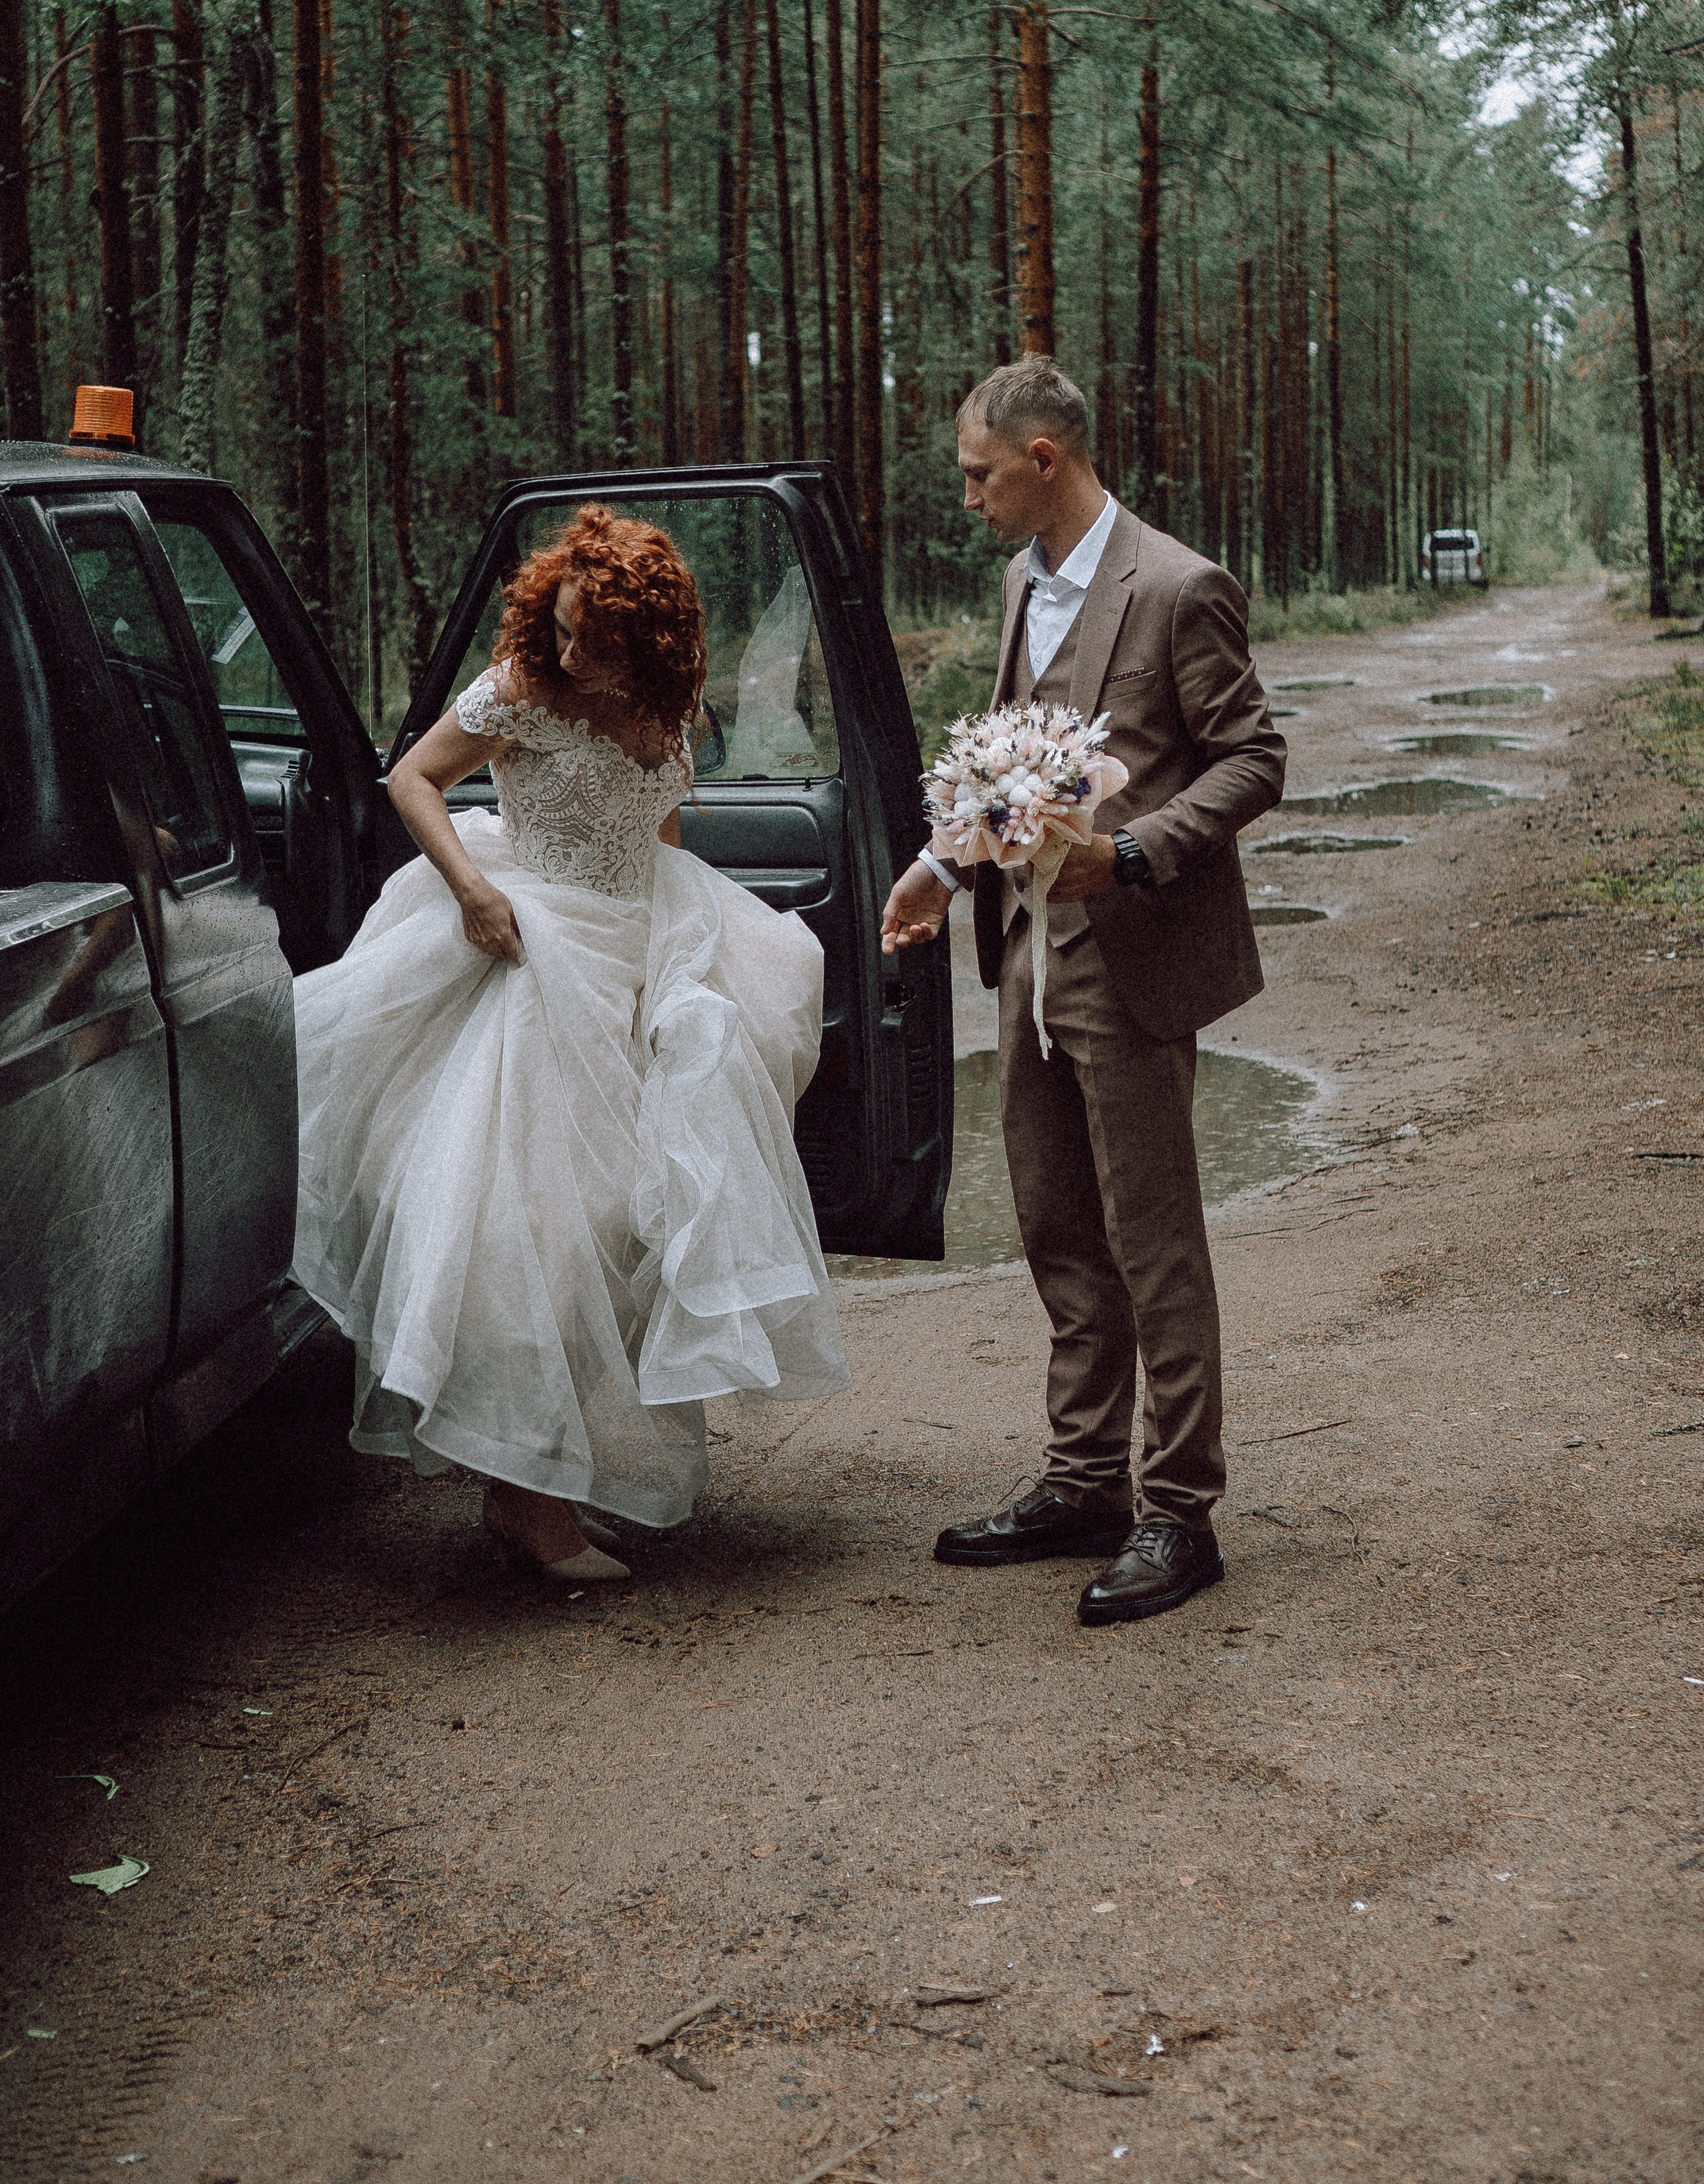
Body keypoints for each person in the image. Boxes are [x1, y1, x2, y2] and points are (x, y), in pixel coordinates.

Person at [294, 503, 848, 1583]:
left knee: (637, 1223)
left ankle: (557, 1475)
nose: (561, 647)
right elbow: (412, 779)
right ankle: (524, 1500)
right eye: (551, 624)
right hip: (531, 949)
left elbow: (661, 829)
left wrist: (675, 950)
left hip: (642, 945)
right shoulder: (520, 694)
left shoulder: (664, 704)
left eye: (584, 632)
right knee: (539, 1231)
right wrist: (472, 891)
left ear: (643, 636)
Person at [881, 358, 1284, 1625]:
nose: (971, 497)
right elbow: (1013, 768)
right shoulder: (1019, 583)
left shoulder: (1175, 587)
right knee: (1057, 1225)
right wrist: (943, 864)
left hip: (1134, 960)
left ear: (1045, 459)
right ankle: (1083, 1482)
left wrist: (1139, 851)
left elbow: (1255, 757)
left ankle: (1178, 1511)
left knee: (1152, 1240)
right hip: (1029, 959)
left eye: (980, 473)